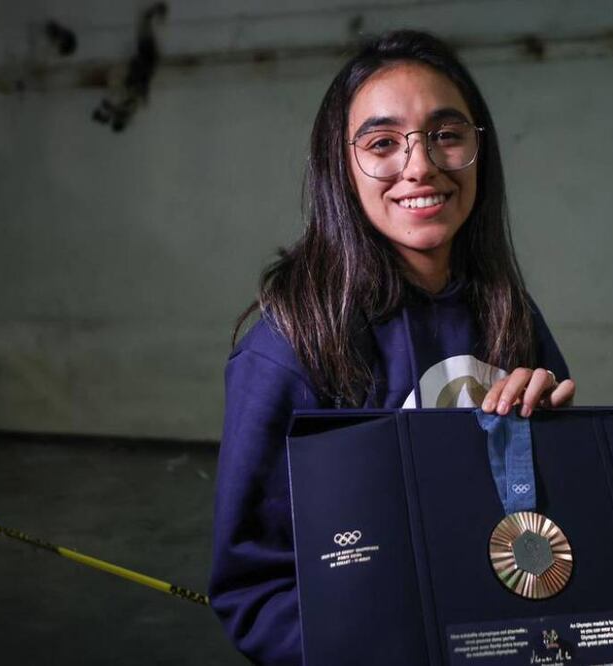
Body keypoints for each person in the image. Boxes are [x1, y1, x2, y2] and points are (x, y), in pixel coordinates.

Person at [209, 30, 576, 665]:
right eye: (382, 144)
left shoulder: (509, 313)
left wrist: (562, 450)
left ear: (478, 151)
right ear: (341, 168)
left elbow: (549, 527)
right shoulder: (288, 349)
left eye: (446, 135)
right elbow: (257, 591)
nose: (420, 166)